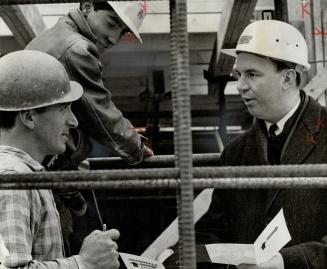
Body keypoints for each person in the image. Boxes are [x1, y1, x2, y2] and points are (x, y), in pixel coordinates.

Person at [166, 20, 327, 269]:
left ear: (288, 78)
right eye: (239, 74)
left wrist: (285, 261)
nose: (240, 85)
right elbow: (217, 230)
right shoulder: (235, 152)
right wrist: (181, 255)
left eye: (252, 74)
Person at [25, 0, 153, 255]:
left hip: (36, 161)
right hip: (43, 163)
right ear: (86, 8)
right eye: (111, 23)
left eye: (123, 31)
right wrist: (136, 148)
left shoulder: (58, 35)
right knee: (57, 246)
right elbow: (99, 111)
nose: (114, 37)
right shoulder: (77, 48)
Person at [0, 50, 120, 269]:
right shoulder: (12, 180)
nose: (73, 121)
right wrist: (83, 263)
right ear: (28, 116)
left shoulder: (26, 175)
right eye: (64, 108)